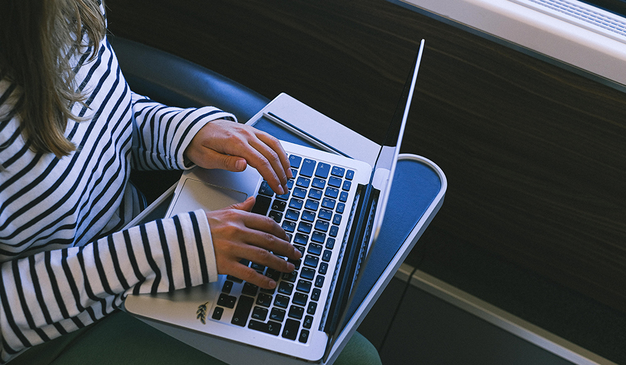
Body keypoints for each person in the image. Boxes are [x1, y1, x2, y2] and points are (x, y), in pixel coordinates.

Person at [0, 0, 381, 364]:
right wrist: (164, 251)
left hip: (142, 245)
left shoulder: (69, 12)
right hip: (53, 335)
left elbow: (99, 118)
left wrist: (185, 132)